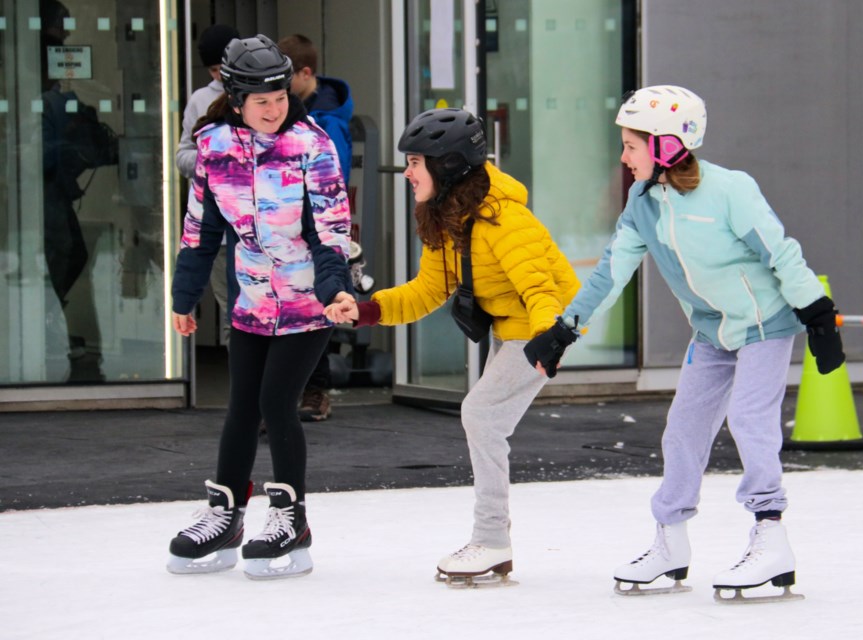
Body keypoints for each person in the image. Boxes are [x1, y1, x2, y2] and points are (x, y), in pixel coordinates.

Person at [523, 85, 845, 601]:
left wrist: (819, 317)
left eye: (631, 146)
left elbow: (780, 252)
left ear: (667, 146)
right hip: (711, 331)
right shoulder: (643, 202)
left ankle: (770, 534)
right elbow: (611, 272)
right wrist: (564, 330)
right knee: (682, 432)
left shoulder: (729, 190)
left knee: (748, 418)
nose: (624, 158)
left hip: (765, 324)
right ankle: (670, 541)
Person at [324, 108, 580, 586]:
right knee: (487, 422)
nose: (407, 172)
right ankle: (495, 540)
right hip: (509, 327)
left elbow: (542, 290)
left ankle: (491, 539)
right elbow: (427, 291)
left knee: (481, 415)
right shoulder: (449, 217)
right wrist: (366, 310)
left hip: (539, 327)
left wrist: (551, 340)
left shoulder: (504, 219)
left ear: (447, 164)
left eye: (416, 161)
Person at [166, 35, 352, 580]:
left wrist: (333, 288)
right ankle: (225, 514)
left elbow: (331, 232)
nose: (273, 110)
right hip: (250, 301)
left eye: (279, 97)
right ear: (235, 97)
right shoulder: (214, 148)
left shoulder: (312, 146)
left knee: (276, 402)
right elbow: (200, 232)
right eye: (261, 102)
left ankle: (290, 518)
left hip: (309, 301)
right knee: (241, 406)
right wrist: (185, 296)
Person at [278, 33, 355, 422]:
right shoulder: (295, 111)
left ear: (305, 74)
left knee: (320, 305)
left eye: (284, 77)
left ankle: (315, 390)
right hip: (290, 224)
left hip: (317, 226)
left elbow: (332, 179)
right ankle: (298, 391)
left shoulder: (327, 123)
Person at [40, 0, 115, 382]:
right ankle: (72, 349)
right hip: (44, 196)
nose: (65, 38)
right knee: (66, 264)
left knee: (70, 263)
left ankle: (76, 351)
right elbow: (43, 157)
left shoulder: (54, 92)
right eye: (61, 29)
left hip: (52, 195)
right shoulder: (42, 85)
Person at [175, 24, 239, 349]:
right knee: (231, 309)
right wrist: (210, 161)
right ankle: (242, 384)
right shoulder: (201, 100)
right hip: (218, 223)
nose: (219, 75)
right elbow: (183, 154)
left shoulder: (263, 94)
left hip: (260, 226)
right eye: (214, 70)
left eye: (223, 67)